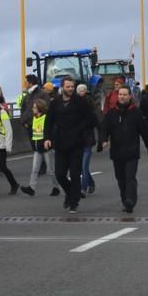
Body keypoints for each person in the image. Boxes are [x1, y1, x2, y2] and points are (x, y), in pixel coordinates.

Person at [98, 85, 148, 213]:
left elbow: (145, 132)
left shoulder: (136, 113)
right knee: (120, 179)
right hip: (117, 153)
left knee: (130, 178)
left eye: (125, 94)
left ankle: (130, 200)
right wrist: (103, 141)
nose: (122, 97)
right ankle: (125, 200)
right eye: (120, 94)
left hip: (132, 152)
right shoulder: (111, 113)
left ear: (130, 96)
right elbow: (104, 129)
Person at [44, 76, 96, 214]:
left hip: (76, 144)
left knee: (74, 174)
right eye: (68, 87)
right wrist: (47, 138)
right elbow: (48, 121)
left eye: (72, 86)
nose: (71, 89)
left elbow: (91, 118)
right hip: (60, 143)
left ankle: (74, 203)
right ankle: (70, 193)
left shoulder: (80, 102)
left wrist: (79, 129)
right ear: (62, 87)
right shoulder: (55, 103)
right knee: (60, 174)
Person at [20, 99, 59, 197]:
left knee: (50, 170)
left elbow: (51, 131)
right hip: (37, 148)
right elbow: (32, 129)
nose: (33, 109)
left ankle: (56, 187)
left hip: (46, 148)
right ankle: (31, 188)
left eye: (34, 107)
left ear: (39, 108)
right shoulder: (34, 118)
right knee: (35, 169)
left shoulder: (46, 118)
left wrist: (49, 142)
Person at [77, 84, 100, 197]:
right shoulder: (74, 111)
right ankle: (91, 183)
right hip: (77, 142)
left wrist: (102, 140)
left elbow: (98, 126)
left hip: (87, 141)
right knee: (81, 167)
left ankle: (83, 188)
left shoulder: (91, 112)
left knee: (84, 166)